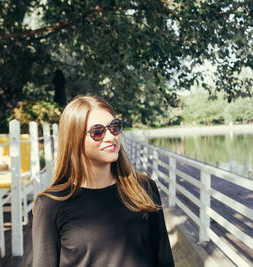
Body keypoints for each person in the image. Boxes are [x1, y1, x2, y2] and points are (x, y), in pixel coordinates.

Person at [32, 95, 175, 267]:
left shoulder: (144, 188)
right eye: (97, 131)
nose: (110, 137)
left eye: (114, 127)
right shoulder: (50, 205)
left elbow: (164, 259)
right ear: (74, 139)